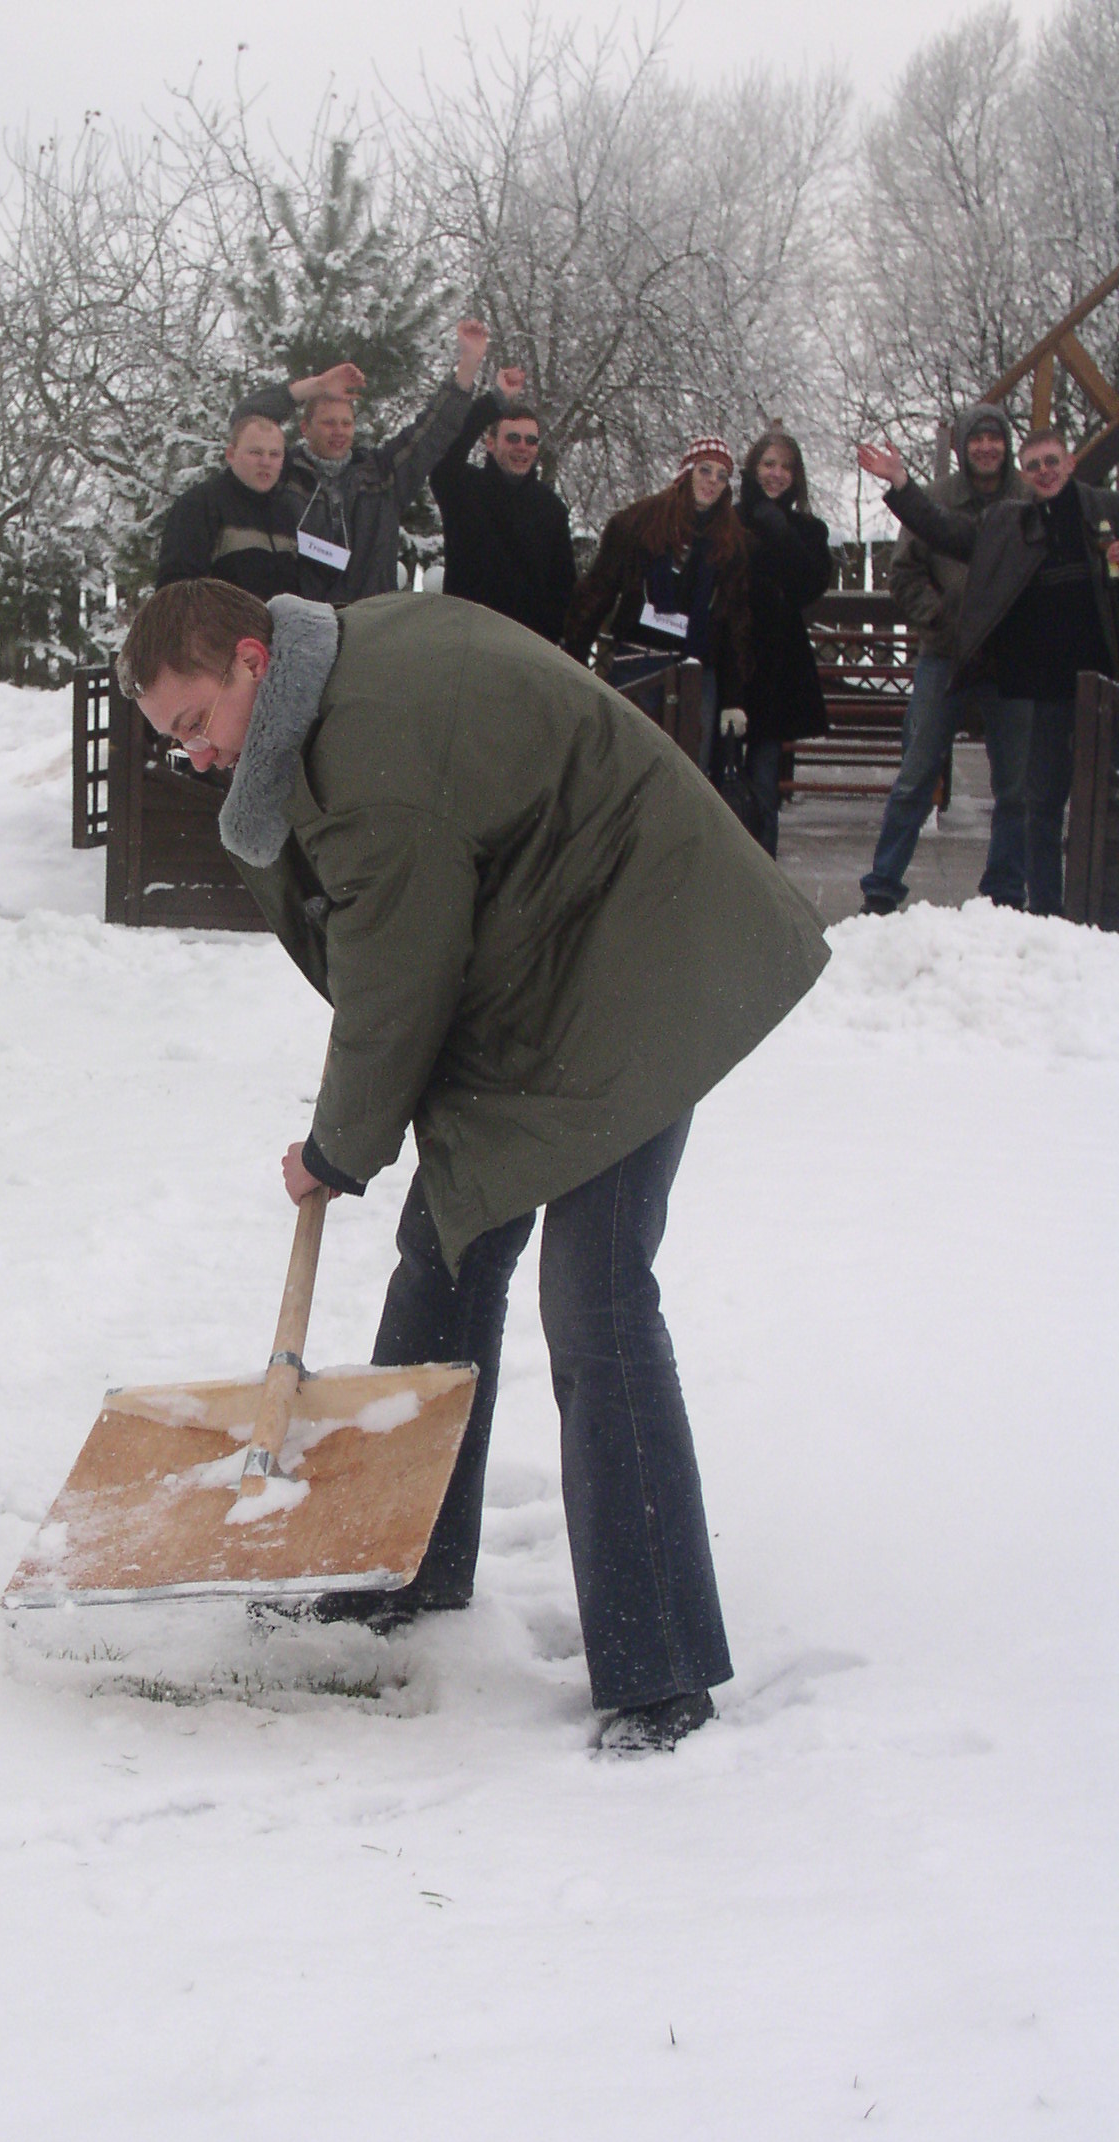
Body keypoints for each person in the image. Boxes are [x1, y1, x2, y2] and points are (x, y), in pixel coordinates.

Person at [117, 577, 828, 1752]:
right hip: (536, 964)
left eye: (195, 722)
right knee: (443, 1249)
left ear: (251, 658)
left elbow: (393, 978)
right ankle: (402, 1558)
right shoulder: (335, 673)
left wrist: (338, 1147)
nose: (193, 755)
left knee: (594, 1295)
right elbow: (402, 942)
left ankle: (659, 1670)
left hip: (641, 960)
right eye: (173, 739)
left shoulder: (369, 758)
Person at [859, 428, 1119, 915]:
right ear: (1024, 474)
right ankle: (1045, 912)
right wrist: (901, 484)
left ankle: (1103, 915)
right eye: (1034, 465)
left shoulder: (1105, 510)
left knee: (1105, 799)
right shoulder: (1011, 523)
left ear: (1070, 463)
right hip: (1043, 685)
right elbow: (944, 530)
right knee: (1039, 803)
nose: (1045, 472)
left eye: (1052, 461)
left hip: (1104, 684)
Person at [858, 407, 1030, 915]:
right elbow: (903, 575)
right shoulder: (933, 501)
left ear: (1007, 445)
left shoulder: (1029, 500)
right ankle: (882, 886)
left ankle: (1005, 892)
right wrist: (939, 618)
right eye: (976, 438)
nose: (986, 447)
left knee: (1016, 786)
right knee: (915, 776)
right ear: (962, 447)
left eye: (995, 438)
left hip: (1011, 661)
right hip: (945, 655)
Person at [230, 320, 489, 603]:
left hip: (368, 620)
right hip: (296, 617)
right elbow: (246, 420)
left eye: (346, 423)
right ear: (305, 428)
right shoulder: (281, 475)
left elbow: (433, 430)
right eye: (328, 423)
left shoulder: (383, 477)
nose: (339, 431)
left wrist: (469, 363)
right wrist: (316, 385)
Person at [562, 437, 752, 774]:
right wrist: (573, 659)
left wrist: (734, 699)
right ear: (687, 472)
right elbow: (597, 592)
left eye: (722, 476)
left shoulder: (731, 541)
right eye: (705, 470)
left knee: (690, 773)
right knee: (626, 766)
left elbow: (735, 620)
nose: (712, 481)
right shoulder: (637, 524)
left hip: (696, 669)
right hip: (638, 660)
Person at [428, 368, 577, 643]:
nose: (522, 447)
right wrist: (495, 400)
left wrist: (548, 640)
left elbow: (563, 588)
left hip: (524, 647)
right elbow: (445, 453)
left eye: (531, 440)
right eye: (513, 438)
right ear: (490, 443)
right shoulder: (462, 488)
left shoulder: (552, 509)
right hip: (466, 639)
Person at [737, 426, 831, 857]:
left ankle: (763, 869)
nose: (776, 474)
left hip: (775, 669)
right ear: (754, 467)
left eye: (786, 467)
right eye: (769, 464)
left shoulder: (808, 530)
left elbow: (809, 583)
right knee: (716, 774)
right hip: (730, 659)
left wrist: (779, 528)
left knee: (764, 783)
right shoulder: (729, 519)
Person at [156, 411, 302, 600]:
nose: (265, 462)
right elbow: (176, 590)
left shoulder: (286, 513)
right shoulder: (200, 505)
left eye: (274, 454)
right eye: (255, 453)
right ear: (231, 454)